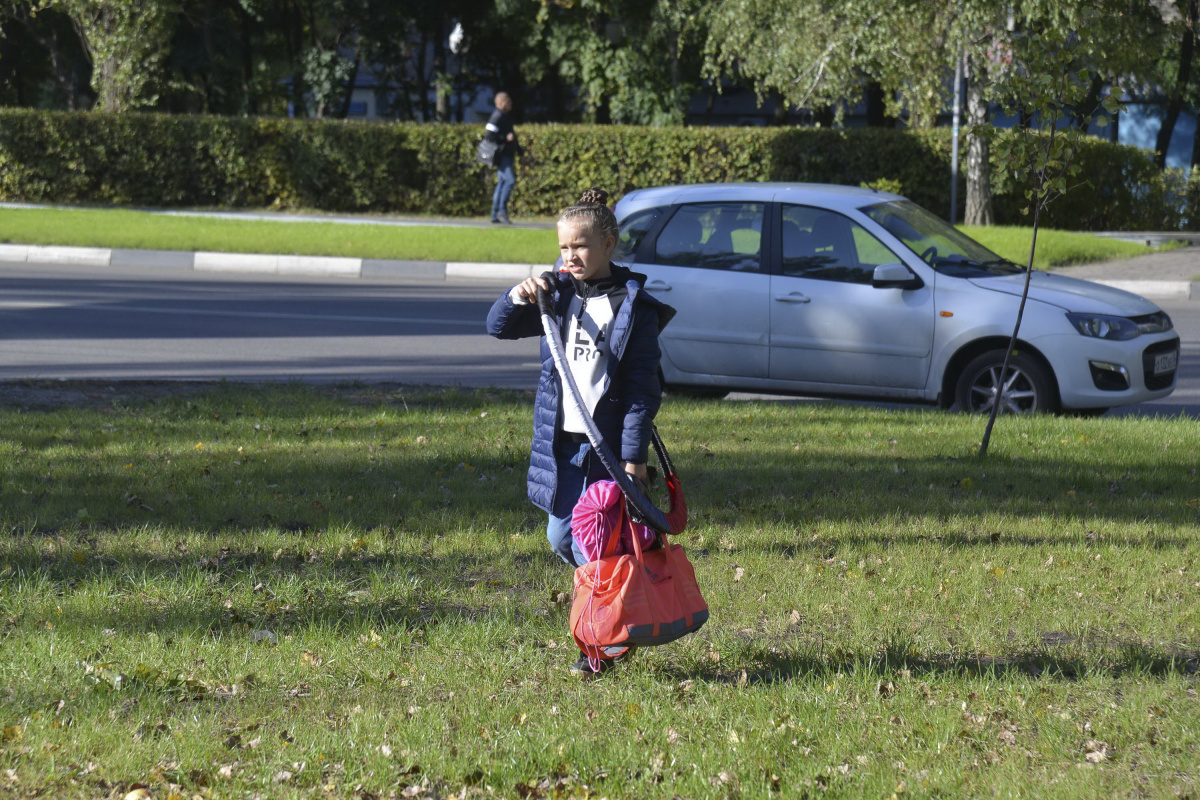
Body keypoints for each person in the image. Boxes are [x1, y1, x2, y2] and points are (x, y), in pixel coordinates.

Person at [486, 188, 675, 675]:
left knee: (591, 545)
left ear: (609, 244)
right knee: (561, 538)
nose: (571, 255)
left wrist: (632, 458)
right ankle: (619, 609)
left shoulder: (634, 309)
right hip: (562, 444)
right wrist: (517, 293)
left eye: (582, 246)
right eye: (565, 246)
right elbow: (498, 326)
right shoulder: (557, 294)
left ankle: (602, 643)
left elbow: (640, 393)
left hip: (606, 451)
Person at [485, 92, 520, 225]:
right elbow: (488, 136)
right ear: (501, 104)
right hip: (502, 156)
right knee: (510, 181)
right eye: (508, 102)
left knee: (501, 184)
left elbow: (513, 137)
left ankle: (495, 214)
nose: (510, 105)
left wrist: (520, 153)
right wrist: (504, 138)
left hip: (507, 155)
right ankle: (501, 212)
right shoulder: (497, 116)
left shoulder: (505, 117)